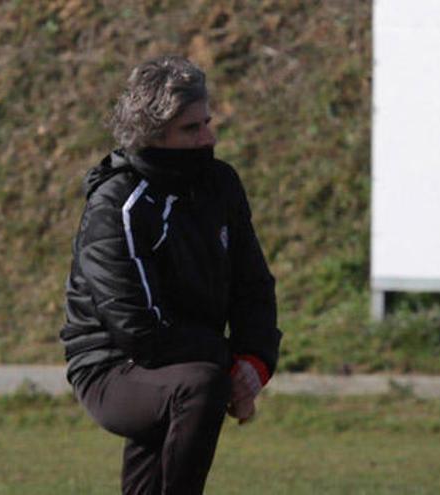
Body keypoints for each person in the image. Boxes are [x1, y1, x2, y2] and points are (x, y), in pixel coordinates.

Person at [59, 55, 282, 495]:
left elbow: (252, 284)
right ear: (154, 136)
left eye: (208, 122)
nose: (209, 137)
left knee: (193, 383)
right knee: (198, 386)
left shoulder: (220, 184)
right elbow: (138, 329)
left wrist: (254, 361)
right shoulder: (117, 205)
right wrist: (223, 361)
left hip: (185, 359)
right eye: (192, 129)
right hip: (113, 366)